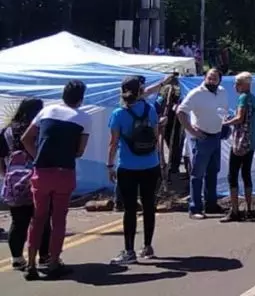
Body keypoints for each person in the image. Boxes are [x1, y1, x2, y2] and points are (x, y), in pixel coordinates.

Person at [18, 80, 91, 280]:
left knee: (38, 218)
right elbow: (80, 150)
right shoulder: (84, 118)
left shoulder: (46, 111)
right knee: (58, 219)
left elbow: (26, 139)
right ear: (81, 98)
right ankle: (53, 263)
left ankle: (31, 265)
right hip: (64, 172)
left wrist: (38, 156)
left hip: (41, 172)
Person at [106, 76, 163, 265]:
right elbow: (156, 136)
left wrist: (109, 165)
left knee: (130, 209)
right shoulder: (150, 109)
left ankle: (129, 251)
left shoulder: (118, 114)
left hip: (128, 165)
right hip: (150, 164)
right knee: (149, 206)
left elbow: (113, 143)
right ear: (141, 91)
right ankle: (147, 246)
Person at [1, 98, 50, 271]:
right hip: (37, 177)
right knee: (42, 219)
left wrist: (6, 175)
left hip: (14, 180)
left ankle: (17, 258)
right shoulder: (40, 129)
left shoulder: (6, 131)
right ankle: (44, 256)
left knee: (17, 221)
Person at [176, 68, 229, 219]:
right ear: (204, 78)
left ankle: (211, 204)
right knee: (197, 174)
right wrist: (192, 131)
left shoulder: (222, 91)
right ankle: (195, 208)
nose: (212, 80)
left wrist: (225, 124)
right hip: (202, 137)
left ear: (219, 80)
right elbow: (180, 112)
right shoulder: (196, 93)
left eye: (215, 78)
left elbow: (223, 111)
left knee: (213, 172)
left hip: (216, 136)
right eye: (209, 77)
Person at [222, 72, 255, 222]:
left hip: (241, 142)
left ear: (244, 84)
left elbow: (240, 118)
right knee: (246, 174)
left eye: (237, 83)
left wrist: (225, 123)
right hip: (252, 141)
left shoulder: (243, 98)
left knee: (232, 175)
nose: (235, 86)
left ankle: (234, 211)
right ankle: (249, 209)